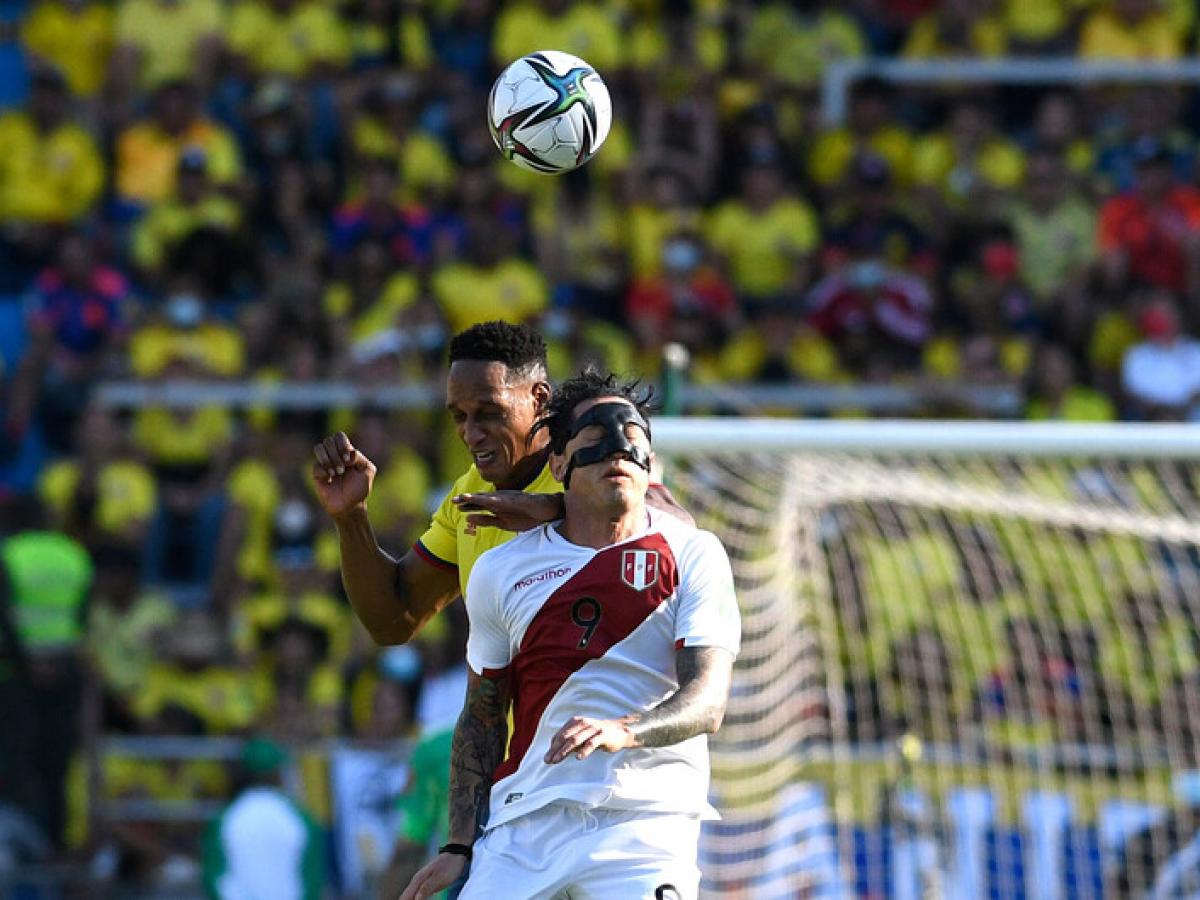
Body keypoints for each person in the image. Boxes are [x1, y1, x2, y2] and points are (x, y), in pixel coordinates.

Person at [399, 367, 740, 900]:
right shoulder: (501, 570)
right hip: (524, 826)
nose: (618, 450)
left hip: (645, 821)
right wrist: (459, 845)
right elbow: (482, 715)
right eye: (596, 437)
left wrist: (626, 730)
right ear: (558, 463)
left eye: (632, 438)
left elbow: (708, 701)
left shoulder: (695, 553)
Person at [311, 320, 690, 646]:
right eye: (459, 416)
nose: (471, 433)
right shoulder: (470, 495)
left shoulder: (595, 458)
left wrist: (555, 510)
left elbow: (680, 526)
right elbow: (394, 621)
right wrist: (351, 516)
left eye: (489, 413)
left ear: (539, 398)